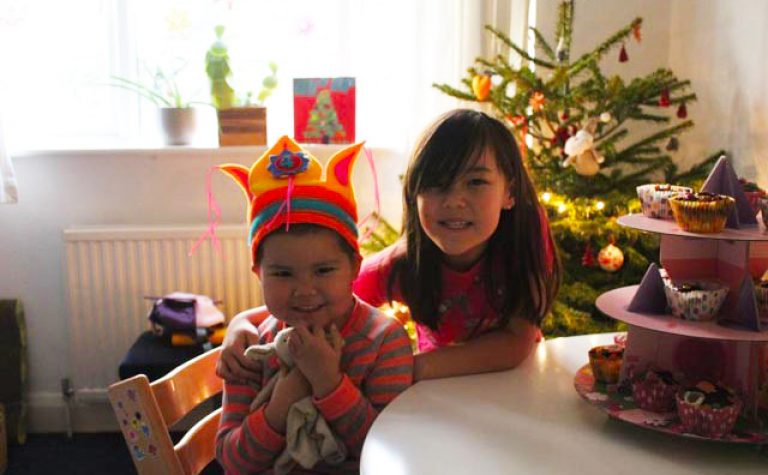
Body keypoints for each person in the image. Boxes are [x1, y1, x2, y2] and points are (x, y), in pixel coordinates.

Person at [217, 109, 560, 384]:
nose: (455, 201)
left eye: (475, 182)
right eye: (437, 184)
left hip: (515, 387)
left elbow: (517, 342)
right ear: (415, 194)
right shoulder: (401, 265)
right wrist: (242, 322)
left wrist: (407, 368)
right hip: (436, 399)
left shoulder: (526, 236)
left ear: (510, 193)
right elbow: (326, 297)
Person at [214, 137, 413, 474]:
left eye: (323, 270)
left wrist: (328, 383)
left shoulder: (383, 341)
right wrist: (284, 400)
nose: (304, 291)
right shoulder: (253, 347)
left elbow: (387, 453)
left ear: (353, 267)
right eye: (282, 273)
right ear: (258, 274)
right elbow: (233, 461)